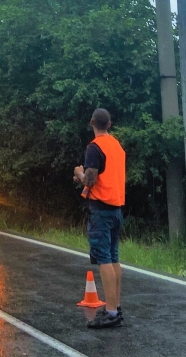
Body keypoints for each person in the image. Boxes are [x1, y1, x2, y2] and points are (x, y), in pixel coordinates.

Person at [73, 107, 126, 329]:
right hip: (116, 208)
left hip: (101, 209)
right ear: (110, 124)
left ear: (92, 122)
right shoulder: (117, 146)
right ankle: (115, 306)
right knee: (114, 258)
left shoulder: (94, 148)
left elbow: (90, 180)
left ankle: (111, 312)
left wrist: (79, 174)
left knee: (104, 258)